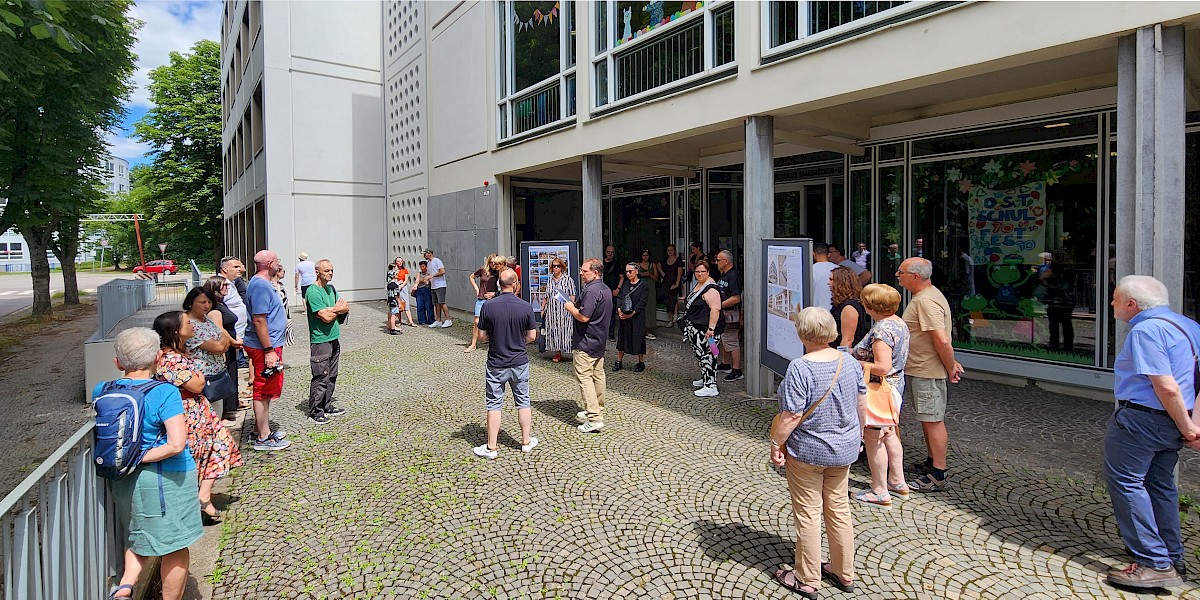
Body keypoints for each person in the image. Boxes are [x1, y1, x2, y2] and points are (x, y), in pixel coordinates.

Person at [1103, 275, 1200, 589]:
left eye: (1116, 299)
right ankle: (1172, 556)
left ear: (1132, 304)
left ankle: (1153, 562)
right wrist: (1191, 424)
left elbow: (1166, 387)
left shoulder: (1146, 330)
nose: (1112, 304)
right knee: (1160, 486)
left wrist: (1188, 428)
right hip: (1172, 421)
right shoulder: (1190, 327)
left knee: (1127, 483)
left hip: (1142, 420)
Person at [769, 307, 864, 599]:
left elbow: (791, 416)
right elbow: (862, 404)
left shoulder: (801, 367)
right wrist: (859, 438)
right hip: (844, 449)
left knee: (808, 513)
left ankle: (807, 578)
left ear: (802, 333)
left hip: (809, 452)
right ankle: (843, 571)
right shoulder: (849, 362)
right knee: (839, 509)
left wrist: (776, 443)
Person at [100, 328, 201, 600]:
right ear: (158, 357)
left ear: (118, 363)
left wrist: (126, 459)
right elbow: (176, 444)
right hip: (166, 481)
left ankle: (124, 588)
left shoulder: (103, 390)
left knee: (139, 535)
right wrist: (139, 456)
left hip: (123, 479)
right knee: (175, 547)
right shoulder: (165, 392)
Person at [151, 311, 243, 528]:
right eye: (186, 323)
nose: (191, 325)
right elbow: (196, 384)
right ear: (176, 331)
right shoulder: (170, 359)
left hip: (198, 410)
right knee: (198, 454)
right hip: (187, 413)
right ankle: (198, 500)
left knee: (219, 445)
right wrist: (199, 376)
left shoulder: (178, 354)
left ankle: (202, 495)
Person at [897, 257, 963, 491]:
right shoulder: (925, 296)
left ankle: (938, 474)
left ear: (915, 276)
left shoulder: (926, 300)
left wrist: (951, 365)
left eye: (901, 272)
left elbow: (942, 339)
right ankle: (932, 461)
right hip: (921, 368)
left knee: (933, 420)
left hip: (927, 370)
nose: (897, 275)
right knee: (927, 418)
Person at [850, 284, 910, 506]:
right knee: (890, 434)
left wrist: (856, 363)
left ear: (871, 306)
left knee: (874, 439)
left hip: (879, 390)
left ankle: (879, 490)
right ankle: (897, 481)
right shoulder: (899, 323)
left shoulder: (881, 331)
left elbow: (882, 367)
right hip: (894, 388)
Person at [472, 269, 540, 459]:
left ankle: (491, 447)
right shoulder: (525, 306)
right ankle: (526, 442)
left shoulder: (488, 306)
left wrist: (495, 340)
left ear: (499, 285)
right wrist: (519, 342)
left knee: (494, 404)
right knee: (523, 401)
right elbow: (532, 336)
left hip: (496, 361)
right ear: (515, 284)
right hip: (519, 361)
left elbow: (482, 336)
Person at [243, 249, 291, 451]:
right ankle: (263, 437)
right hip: (264, 346)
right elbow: (259, 320)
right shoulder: (261, 286)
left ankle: (260, 429)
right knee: (262, 389)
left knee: (268, 388)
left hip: (268, 344)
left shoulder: (261, 283)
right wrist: (269, 350)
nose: (279, 264)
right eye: (277, 261)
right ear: (270, 264)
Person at [564, 258, 613, 433]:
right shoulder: (605, 289)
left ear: (595, 272)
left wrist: (570, 308)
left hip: (586, 341)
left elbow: (584, 317)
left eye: (584, 271)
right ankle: (597, 409)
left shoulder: (591, 291)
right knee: (598, 376)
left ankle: (594, 418)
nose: (581, 273)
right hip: (598, 340)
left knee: (585, 378)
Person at [182, 288, 239, 419]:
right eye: (202, 302)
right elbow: (219, 346)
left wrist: (222, 342)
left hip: (217, 373)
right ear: (191, 303)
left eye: (209, 302)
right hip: (202, 376)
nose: (206, 305)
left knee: (217, 413)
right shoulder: (189, 324)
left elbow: (223, 342)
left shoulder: (207, 319)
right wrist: (221, 341)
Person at [305, 259, 351, 425]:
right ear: (317, 272)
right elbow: (325, 317)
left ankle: (326, 405)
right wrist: (337, 310)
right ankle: (316, 411)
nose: (330, 273)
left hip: (334, 338)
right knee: (321, 375)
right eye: (327, 270)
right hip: (320, 341)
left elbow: (345, 307)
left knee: (332, 375)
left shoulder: (331, 289)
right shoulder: (313, 292)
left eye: (332, 270)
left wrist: (333, 310)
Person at [202, 276, 243, 422]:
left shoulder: (221, 304)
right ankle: (224, 410)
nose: (227, 287)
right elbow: (219, 329)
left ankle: (230, 407)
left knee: (231, 375)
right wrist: (233, 341)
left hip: (230, 345)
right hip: (225, 346)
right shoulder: (215, 309)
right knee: (225, 377)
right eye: (224, 285)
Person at [682, 260, 724, 398]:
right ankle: (705, 378)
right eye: (697, 272)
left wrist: (711, 329)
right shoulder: (701, 284)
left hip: (708, 332)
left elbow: (715, 309)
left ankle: (711, 385)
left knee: (710, 355)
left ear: (708, 272)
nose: (700, 274)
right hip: (697, 329)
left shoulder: (711, 288)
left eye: (703, 272)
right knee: (702, 355)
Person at [713, 250, 744, 382]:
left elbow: (736, 298)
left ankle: (737, 369)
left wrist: (719, 305)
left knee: (731, 341)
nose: (716, 262)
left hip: (731, 314)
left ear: (726, 261)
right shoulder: (724, 275)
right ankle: (725, 363)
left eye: (718, 260)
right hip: (723, 313)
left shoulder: (733, 276)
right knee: (724, 338)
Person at [614, 262, 648, 372]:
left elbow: (642, 301)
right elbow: (620, 297)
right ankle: (619, 361)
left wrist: (632, 313)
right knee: (622, 338)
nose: (628, 274)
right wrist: (619, 310)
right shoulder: (625, 284)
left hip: (636, 317)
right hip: (624, 316)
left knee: (638, 338)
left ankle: (641, 362)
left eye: (630, 271)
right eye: (627, 272)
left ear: (636, 271)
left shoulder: (643, 285)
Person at [466, 254, 504, 353]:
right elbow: (472, 277)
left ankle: (495, 343)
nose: (493, 265)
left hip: (493, 300)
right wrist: (476, 288)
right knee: (476, 321)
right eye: (491, 262)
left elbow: (504, 286)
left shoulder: (499, 272)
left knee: (493, 322)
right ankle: (473, 344)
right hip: (481, 298)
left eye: (495, 263)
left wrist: (495, 294)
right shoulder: (483, 270)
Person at [541, 257, 576, 362]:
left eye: (558, 266)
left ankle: (571, 351)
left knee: (566, 330)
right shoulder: (550, 280)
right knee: (554, 330)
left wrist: (571, 307)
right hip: (552, 311)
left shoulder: (568, 279)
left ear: (562, 267)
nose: (556, 268)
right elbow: (546, 296)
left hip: (564, 310)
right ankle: (558, 352)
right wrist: (542, 309)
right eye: (554, 266)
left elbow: (572, 295)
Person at [1036, 263, 1075, 352]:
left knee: (1057, 325)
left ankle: (1056, 345)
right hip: (1061, 305)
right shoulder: (1063, 280)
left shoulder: (1053, 280)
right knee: (1064, 325)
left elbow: (1043, 290)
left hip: (1058, 305)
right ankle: (1065, 345)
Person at [830, 266, 870, 349]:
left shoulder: (849, 307)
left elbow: (847, 340)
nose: (829, 283)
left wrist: (841, 356)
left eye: (832, 280)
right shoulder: (840, 304)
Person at [636, 249, 661, 340]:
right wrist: (641, 274)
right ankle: (641, 329)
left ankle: (649, 329)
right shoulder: (638, 265)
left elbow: (657, 278)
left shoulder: (652, 264)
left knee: (650, 307)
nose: (645, 257)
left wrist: (649, 274)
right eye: (643, 255)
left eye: (646, 255)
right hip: (640, 288)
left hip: (650, 288)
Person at [424, 248, 451, 327]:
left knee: (442, 302)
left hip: (440, 285)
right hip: (433, 286)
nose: (424, 255)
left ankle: (448, 319)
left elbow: (442, 271)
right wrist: (427, 280)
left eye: (425, 254)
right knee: (436, 303)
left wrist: (432, 276)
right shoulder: (428, 263)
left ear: (429, 253)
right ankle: (438, 320)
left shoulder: (437, 261)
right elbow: (429, 274)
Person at [660, 244, 686, 324]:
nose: (670, 252)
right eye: (668, 250)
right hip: (666, 282)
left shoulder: (678, 260)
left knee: (674, 300)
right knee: (667, 300)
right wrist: (663, 274)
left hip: (674, 282)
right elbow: (658, 265)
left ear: (674, 250)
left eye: (672, 250)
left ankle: (675, 316)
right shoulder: (665, 260)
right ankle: (670, 319)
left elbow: (679, 273)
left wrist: (677, 284)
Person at [602, 245, 622, 341]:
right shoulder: (601, 263)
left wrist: (618, 289)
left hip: (613, 291)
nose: (610, 254)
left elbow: (622, 277)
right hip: (602, 291)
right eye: (609, 252)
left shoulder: (617, 264)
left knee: (612, 313)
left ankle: (611, 334)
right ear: (605, 252)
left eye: (612, 252)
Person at [811, 243, 837, 311]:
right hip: (834, 309)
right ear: (829, 254)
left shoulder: (809, 270)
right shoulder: (838, 269)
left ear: (813, 254)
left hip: (815, 310)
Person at [393, 256, 416, 327]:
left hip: (403, 287)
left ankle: (410, 321)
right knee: (398, 304)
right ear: (395, 262)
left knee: (406, 303)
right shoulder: (394, 270)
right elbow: (393, 278)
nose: (400, 262)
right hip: (396, 286)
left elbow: (406, 280)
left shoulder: (404, 270)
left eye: (401, 261)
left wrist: (401, 286)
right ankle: (399, 320)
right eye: (398, 261)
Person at [414, 260, 434, 325]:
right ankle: (422, 320)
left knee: (429, 305)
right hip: (419, 290)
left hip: (427, 289)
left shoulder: (429, 273)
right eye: (421, 267)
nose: (422, 268)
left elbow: (430, 281)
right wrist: (422, 280)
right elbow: (417, 280)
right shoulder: (419, 273)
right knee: (420, 305)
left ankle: (431, 320)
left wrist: (425, 280)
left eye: (423, 266)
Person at [386, 265, 404, 335]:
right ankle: (393, 329)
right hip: (394, 302)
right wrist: (399, 303)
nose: (397, 275)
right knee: (393, 315)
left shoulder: (389, 284)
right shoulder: (394, 284)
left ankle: (390, 326)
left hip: (390, 301)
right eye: (396, 274)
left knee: (391, 314)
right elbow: (396, 295)